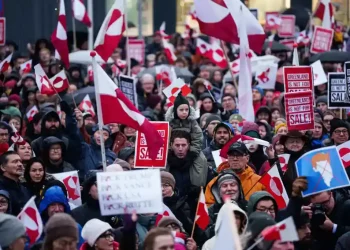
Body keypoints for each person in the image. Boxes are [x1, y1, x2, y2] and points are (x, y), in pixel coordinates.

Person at [166, 130, 208, 198]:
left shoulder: (200, 162)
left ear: (188, 146)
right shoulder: (165, 163)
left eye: (183, 145)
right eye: (177, 145)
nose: (180, 149)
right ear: (171, 145)